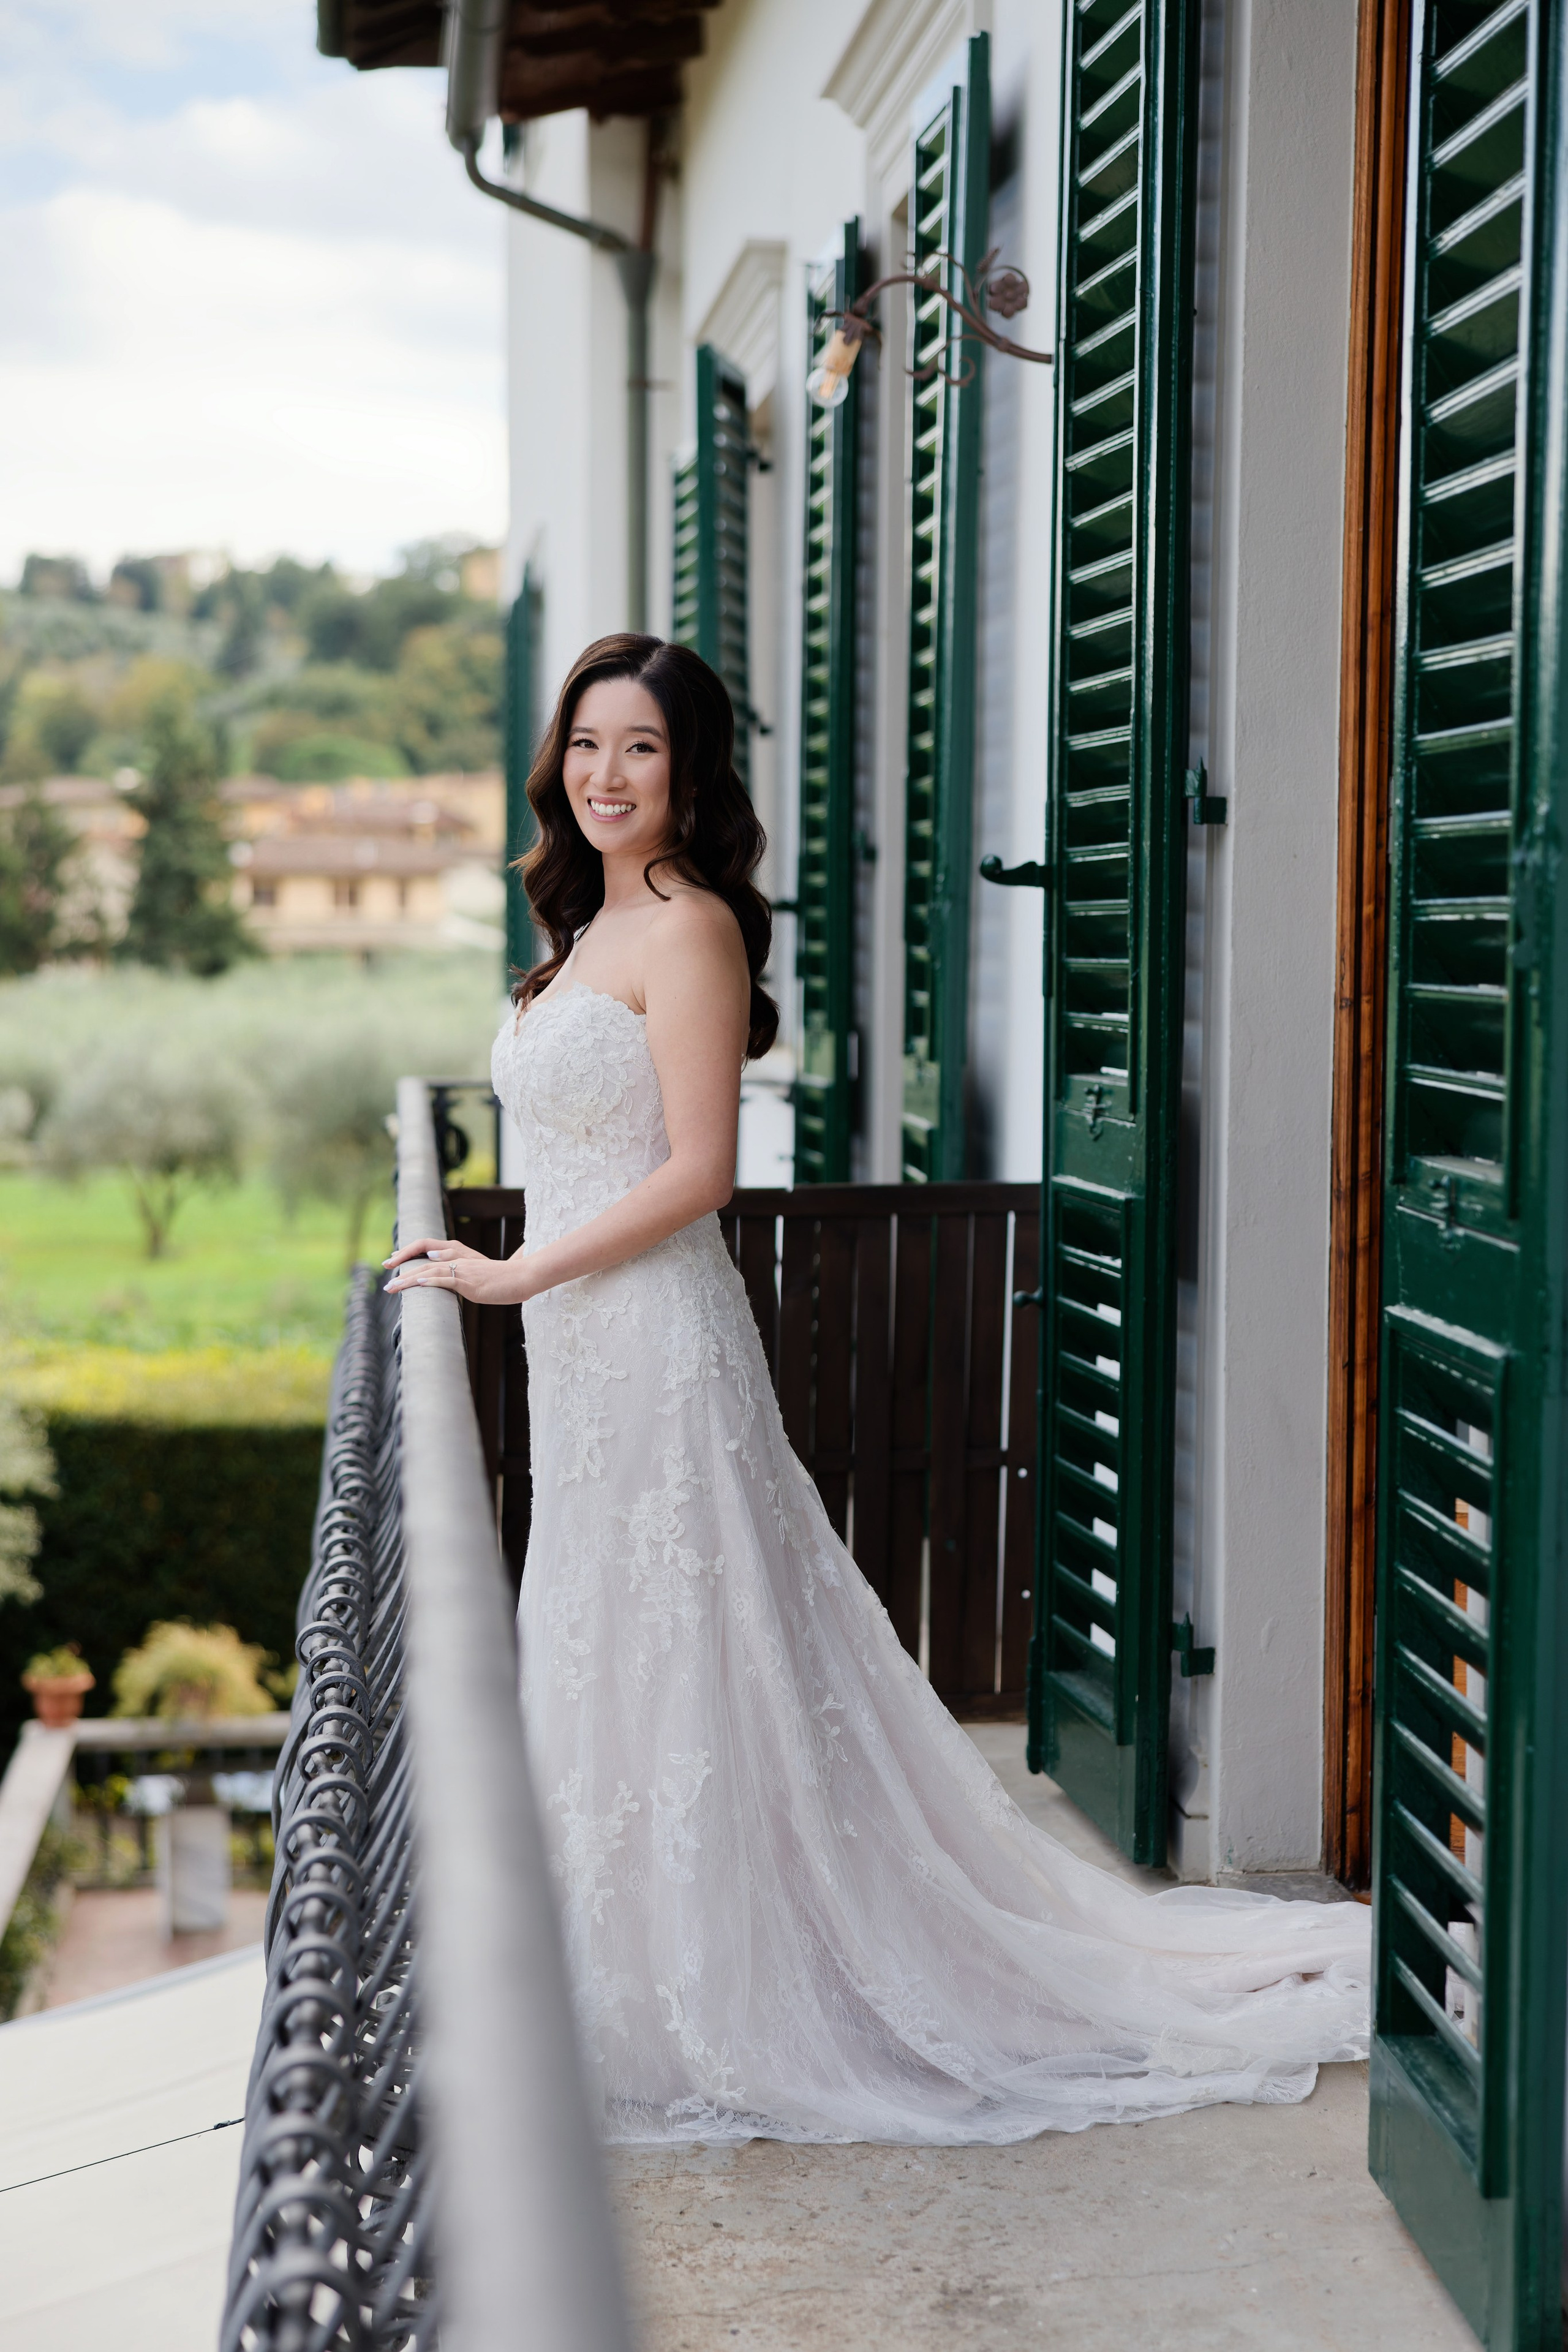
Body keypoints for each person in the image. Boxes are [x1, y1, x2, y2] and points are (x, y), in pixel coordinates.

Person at [385, 633, 1370, 2146]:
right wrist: (500, 1267)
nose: (604, 776)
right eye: (584, 746)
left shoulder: (689, 928)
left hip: (648, 1336)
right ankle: (609, 1968)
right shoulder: (576, 929)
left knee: (680, 1644)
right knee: (609, 1643)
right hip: (578, 1352)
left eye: (639, 748)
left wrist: (516, 1273)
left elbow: (699, 1174)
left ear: (692, 770)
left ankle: (718, 1987)